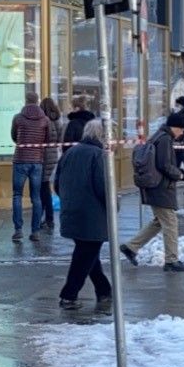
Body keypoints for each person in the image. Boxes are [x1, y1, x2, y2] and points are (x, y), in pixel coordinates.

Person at [55, 118, 113, 312]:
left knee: (88, 253)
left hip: (72, 211)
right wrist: (115, 204)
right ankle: (69, 295)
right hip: (92, 214)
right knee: (85, 254)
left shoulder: (70, 152)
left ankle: (104, 290)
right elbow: (104, 187)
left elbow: (56, 183)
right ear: (103, 135)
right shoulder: (99, 155)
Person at [122, 111, 184, 272]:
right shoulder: (165, 139)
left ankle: (131, 247)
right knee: (170, 222)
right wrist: (180, 175)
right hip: (161, 187)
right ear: (175, 127)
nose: (182, 133)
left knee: (160, 221)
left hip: (155, 186)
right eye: (181, 129)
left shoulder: (159, 136)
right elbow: (164, 165)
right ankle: (171, 261)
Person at [10, 86, 51, 242]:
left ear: (26, 101)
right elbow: (47, 140)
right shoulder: (45, 120)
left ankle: (18, 229)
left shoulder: (18, 118)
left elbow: (14, 136)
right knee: (36, 197)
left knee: (17, 195)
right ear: (37, 101)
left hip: (20, 159)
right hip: (37, 161)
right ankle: (35, 232)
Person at [39, 96, 62, 229]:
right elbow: (60, 137)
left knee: (43, 186)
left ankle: (47, 217)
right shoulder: (57, 119)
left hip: (42, 154)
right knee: (45, 184)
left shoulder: (43, 120)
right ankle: (48, 218)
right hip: (53, 154)